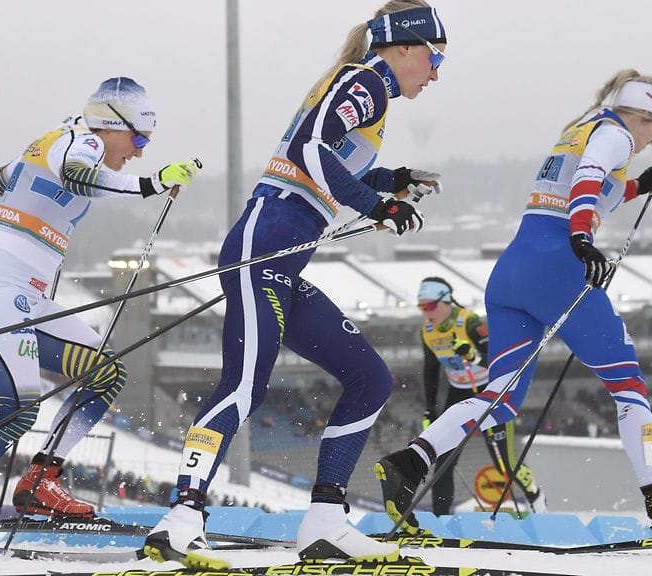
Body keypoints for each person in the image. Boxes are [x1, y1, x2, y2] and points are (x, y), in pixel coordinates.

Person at [144, 1, 445, 568]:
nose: (435, 74)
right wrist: (374, 203)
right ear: (404, 46)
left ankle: (325, 522)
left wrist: (391, 181)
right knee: (243, 387)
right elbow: (311, 149)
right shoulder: (367, 81)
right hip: (265, 244)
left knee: (370, 378)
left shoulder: (368, 89)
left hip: (282, 257)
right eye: (435, 59)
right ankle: (181, 519)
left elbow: (331, 162)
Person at [376, 70, 652, 535]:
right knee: (628, 386)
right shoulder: (616, 135)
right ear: (644, 115)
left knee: (498, 398)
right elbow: (589, 180)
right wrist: (581, 235)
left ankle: (409, 462)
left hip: (512, 273)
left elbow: (595, 187)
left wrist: (640, 186)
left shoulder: (580, 130)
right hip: (558, 268)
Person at [0, 77, 199, 544]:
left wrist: (26, 165)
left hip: (28, 294)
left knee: (106, 372)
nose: (140, 151)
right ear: (110, 125)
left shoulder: (64, 140)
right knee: (18, 410)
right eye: (138, 139)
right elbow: (81, 175)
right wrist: (153, 182)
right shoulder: (80, 142)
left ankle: (41, 480)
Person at [378, 277, 545, 523]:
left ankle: (536, 497)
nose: (426, 313)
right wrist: (429, 411)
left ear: (446, 301)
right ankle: (440, 520)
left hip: (487, 390)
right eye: (421, 307)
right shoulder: (428, 331)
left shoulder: (469, 322)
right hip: (459, 392)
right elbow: (430, 370)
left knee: (505, 464)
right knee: (443, 462)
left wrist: (474, 356)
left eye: (430, 306)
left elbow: (497, 362)